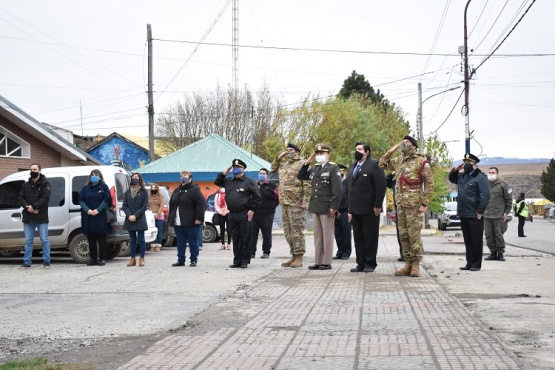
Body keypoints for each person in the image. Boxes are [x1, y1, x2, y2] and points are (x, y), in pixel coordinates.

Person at [379, 136, 434, 277]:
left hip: (414, 205)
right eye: (403, 143)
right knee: (403, 235)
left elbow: (429, 184)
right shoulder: (399, 161)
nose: (405, 145)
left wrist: (424, 203)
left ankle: (416, 264)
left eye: (408, 143)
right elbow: (382, 163)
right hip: (401, 205)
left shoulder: (422, 162)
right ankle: (408, 263)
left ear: (414, 146)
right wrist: (392, 150)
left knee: (414, 235)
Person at [297, 144, 342, 270]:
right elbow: (301, 176)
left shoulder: (333, 168)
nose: (319, 156)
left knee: (327, 235)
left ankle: (327, 262)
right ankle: (318, 261)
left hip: (327, 207)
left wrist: (334, 207)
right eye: (317, 153)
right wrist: (307, 162)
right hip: (316, 206)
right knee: (318, 235)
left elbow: (337, 190)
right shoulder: (315, 168)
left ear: (328, 155)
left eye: (322, 153)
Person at [347, 142, 387, 273]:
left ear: (367, 152)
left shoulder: (374, 164)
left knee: (370, 237)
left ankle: (370, 263)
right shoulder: (353, 165)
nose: (357, 151)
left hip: (369, 208)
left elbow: (380, 186)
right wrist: (349, 209)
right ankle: (360, 263)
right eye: (356, 148)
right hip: (355, 208)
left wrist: (377, 205)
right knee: (358, 238)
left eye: (359, 149)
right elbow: (350, 188)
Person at [214, 159, 261, 269]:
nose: (235, 169)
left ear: (243, 169)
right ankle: (237, 260)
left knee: (245, 238)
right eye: (234, 167)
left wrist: (252, 210)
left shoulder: (250, 181)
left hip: (245, 213)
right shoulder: (229, 181)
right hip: (232, 214)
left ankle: (245, 260)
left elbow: (257, 197)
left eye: (237, 167)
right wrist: (224, 173)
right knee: (236, 238)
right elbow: (217, 182)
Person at [271, 143, 311, 268]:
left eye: (291, 150)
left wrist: (305, 201)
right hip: (285, 202)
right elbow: (272, 169)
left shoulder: (303, 164)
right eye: (287, 150)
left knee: (297, 231)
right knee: (288, 232)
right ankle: (293, 255)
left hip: (297, 203)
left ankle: (299, 256)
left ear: (297, 152)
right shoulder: (284, 164)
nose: (288, 152)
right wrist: (278, 158)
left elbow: (307, 184)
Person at [449, 153, 491, 272]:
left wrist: (480, 211)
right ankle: (469, 262)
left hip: (474, 213)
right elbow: (452, 179)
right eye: (465, 162)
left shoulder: (480, 177)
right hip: (463, 212)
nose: (466, 165)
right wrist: (455, 170)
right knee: (468, 240)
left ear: (475, 164)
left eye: (469, 163)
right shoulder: (463, 176)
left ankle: (476, 264)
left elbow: (485, 195)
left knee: (476, 240)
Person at [168, 171, 205, 267]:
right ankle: (181, 260)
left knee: (193, 241)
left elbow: (201, 204)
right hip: (178, 222)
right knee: (180, 241)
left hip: (191, 222)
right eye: (182, 176)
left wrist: (199, 218)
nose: (183, 177)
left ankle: (193, 260)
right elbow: (172, 204)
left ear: (190, 178)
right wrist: (171, 218)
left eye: (186, 176)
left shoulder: (194, 189)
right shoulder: (177, 190)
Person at [19, 163, 51, 269]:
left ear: (40, 171)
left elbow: (45, 198)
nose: (33, 171)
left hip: (41, 217)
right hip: (28, 217)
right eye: (31, 169)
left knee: (44, 240)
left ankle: (46, 262)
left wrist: (33, 206)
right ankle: (27, 262)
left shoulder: (45, 184)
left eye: (35, 169)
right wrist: (28, 207)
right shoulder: (25, 185)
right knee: (28, 241)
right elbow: (21, 198)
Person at [79, 169, 112, 266]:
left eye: (96, 174)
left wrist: (98, 209)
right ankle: (92, 258)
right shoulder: (85, 188)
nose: (94, 176)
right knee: (91, 238)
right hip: (89, 216)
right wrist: (87, 210)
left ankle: (101, 258)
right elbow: (81, 200)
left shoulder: (104, 187)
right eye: (92, 174)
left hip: (100, 216)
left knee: (102, 238)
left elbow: (107, 199)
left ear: (100, 176)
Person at [483, 167, 513, 261]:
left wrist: (506, 212)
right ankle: (492, 252)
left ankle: (500, 253)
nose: (491, 174)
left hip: (499, 214)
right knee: (488, 235)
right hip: (487, 214)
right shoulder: (484, 185)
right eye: (489, 172)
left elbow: (509, 200)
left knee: (498, 234)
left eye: (493, 172)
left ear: (497, 174)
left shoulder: (503, 185)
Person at [250, 168, 279, 259]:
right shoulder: (254, 185)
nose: (261, 175)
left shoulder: (272, 186)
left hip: (267, 214)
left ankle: (266, 252)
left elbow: (278, 199)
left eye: (263, 173)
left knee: (266, 233)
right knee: (253, 234)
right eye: (260, 173)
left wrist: (271, 207)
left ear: (267, 175)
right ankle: (251, 252)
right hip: (255, 213)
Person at [122, 172, 149, 267]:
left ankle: (142, 258)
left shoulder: (144, 192)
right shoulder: (127, 192)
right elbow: (124, 206)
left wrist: (135, 215)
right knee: (132, 240)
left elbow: (144, 206)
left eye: (136, 177)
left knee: (141, 239)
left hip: (140, 218)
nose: (135, 179)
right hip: (130, 219)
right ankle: (132, 259)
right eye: (133, 177)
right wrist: (129, 215)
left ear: (140, 179)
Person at [333, 164, 351, 260]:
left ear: (344, 172)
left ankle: (346, 252)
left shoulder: (348, 182)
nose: (340, 173)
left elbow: (350, 197)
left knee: (346, 232)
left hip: (345, 210)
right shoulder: (334, 182)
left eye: (342, 171)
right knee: (338, 233)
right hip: (335, 211)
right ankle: (339, 251)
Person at [385, 172, 404, 261]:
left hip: (410, 211)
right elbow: (385, 182)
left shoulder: (408, 181)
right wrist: (392, 174)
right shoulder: (395, 182)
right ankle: (403, 254)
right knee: (400, 233)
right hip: (398, 211)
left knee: (409, 235)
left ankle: (410, 256)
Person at [148, 183, 165, 252]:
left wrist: (157, 214)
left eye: (155, 188)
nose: (153, 189)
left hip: (159, 216)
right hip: (151, 216)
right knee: (152, 231)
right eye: (152, 188)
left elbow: (162, 206)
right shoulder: (149, 197)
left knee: (159, 231)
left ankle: (158, 245)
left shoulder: (161, 197)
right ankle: (152, 245)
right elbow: (147, 206)